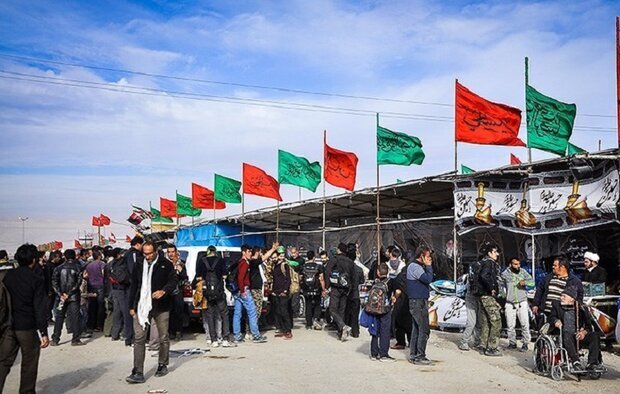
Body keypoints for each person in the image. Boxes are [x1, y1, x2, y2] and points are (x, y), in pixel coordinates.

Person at [0, 244, 50, 394]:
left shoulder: (7, 276)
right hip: (27, 327)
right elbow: (40, 308)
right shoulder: (36, 279)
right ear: (34, 260)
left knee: (3, 362)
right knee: (29, 362)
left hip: (8, 325)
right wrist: (43, 333)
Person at [126, 242, 177, 384]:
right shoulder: (139, 264)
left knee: (163, 337)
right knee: (139, 338)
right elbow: (134, 285)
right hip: (142, 305)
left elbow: (173, 281)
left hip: (161, 306)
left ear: (155, 251)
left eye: (149, 253)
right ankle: (137, 371)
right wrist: (131, 306)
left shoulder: (165, 264)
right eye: (145, 253)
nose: (147, 256)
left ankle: (162, 364)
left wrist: (164, 291)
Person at [549, 286, 602, 372]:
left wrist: (583, 332)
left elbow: (589, 326)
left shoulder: (581, 308)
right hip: (563, 335)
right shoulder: (556, 305)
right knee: (566, 333)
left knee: (595, 336)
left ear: (572, 299)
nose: (561, 298)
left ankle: (592, 363)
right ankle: (575, 361)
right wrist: (556, 321)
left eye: (564, 296)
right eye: (561, 295)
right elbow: (551, 317)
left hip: (577, 335)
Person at [194, 245, 233, 347]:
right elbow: (225, 275)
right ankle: (225, 339)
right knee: (224, 314)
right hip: (219, 291)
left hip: (207, 292)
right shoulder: (221, 261)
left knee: (209, 315)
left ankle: (213, 340)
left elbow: (198, 277)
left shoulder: (202, 261)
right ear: (215, 252)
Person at [231, 245, 268, 344]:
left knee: (237, 313)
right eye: (248, 251)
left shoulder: (239, 262)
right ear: (243, 252)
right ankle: (256, 335)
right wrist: (243, 291)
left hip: (237, 291)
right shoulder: (244, 263)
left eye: (251, 251)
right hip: (244, 290)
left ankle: (237, 335)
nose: (250, 253)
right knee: (252, 312)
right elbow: (240, 278)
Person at [51, 249, 84, 346]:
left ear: (64, 257)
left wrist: (61, 294)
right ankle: (75, 339)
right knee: (75, 317)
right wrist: (69, 294)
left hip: (61, 298)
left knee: (59, 317)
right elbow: (78, 283)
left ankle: (55, 339)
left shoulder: (58, 268)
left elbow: (54, 282)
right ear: (74, 256)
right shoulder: (78, 268)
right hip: (73, 297)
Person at [406, 246, 433, 365]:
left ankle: (414, 354)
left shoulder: (416, 266)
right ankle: (420, 355)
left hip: (419, 301)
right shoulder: (415, 267)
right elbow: (427, 279)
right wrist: (428, 266)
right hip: (418, 302)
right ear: (421, 255)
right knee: (424, 329)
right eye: (427, 256)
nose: (429, 258)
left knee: (417, 329)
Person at [501, 258, 534, 352]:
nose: (517, 266)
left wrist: (525, 283)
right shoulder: (505, 274)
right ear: (510, 264)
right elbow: (499, 285)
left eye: (519, 264)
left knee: (524, 324)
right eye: (515, 264)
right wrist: (504, 295)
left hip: (522, 302)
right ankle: (512, 343)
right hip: (510, 302)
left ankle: (525, 343)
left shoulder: (523, 272)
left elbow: (532, 282)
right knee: (510, 325)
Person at [325, 243, 355, 341]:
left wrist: (327, 286)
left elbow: (327, 272)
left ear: (338, 250)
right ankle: (341, 332)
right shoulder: (350, 262)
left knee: (332, 310)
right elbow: (353, 276)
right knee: (342, 310)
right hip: (346, 288)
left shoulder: (334, 259)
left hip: (335, 287)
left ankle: (342, 325)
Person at [477, 243, 502, 357]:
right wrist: (491, 288)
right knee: (496, 321)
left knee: (486, 321)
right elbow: (484, 276)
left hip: (482, 295)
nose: (497, 254)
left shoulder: (482, 262)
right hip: (487, 296)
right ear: (489, 253)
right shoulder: (489, 263)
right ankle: (492, 347)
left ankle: (483, 344)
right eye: (495, 251)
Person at [369, 263, 397, 362]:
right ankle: (383, 354)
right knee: (385, 331)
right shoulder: (391, 282)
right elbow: (397, 292)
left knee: (375, 329)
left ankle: (374, 353)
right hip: (385, 310)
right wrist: (394, 298)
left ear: (377, 272)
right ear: (388, 272)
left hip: (374, 309)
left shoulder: (374, 282)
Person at [458, 258, 482, 351]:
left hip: (479, 300)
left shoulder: (482, 277)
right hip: (471, 299)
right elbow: (471, 290)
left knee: (479, 323)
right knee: (471, 322)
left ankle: (477, 342)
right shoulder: (470, 278)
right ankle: (464, 342)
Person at [109, 247, 132, 343]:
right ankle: (126, 334)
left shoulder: (110, 264)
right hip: (122, 290)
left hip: (114, 289)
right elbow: (123, 278)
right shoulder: (122, 263)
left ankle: (115, 334)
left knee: (117, 312)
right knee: (126, 313)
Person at [166, 244, 187, 341]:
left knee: (178, 312)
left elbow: (185, 277)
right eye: (169, 252)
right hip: (167, 291)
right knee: (169, 312)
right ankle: (170, 332)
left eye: (172, 252)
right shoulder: (165, 263)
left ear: (176, 252)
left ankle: (178, 331)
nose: (171, 254)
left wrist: (180, 269)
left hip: (178, 291)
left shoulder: (181, 263)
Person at [301, 251, 326, 330]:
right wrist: (323, 289)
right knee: (317, 305)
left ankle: (308, 324)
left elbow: (300, 278)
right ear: (314, 257)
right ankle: (316, 320)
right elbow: (321, 279)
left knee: (308, 305)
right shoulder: (319, 267)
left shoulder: (303, 267)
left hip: (306, 288)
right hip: (316, 289)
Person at [272, 248, 293, 339]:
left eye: (275, 257)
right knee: (278, 312)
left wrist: (285, 290)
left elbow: (288, 279)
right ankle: (282, 329)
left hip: (283, 293)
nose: (274, 259)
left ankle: (288, 330)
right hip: (276, 292)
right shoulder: (274, 266)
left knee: (284, 311)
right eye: (272, 258)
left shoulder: (284, 265)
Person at [85, 250, 106, 332]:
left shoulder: (88, 265)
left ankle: (91, 325)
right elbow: (103, 273)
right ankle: (99, 325)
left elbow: (86, 275)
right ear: (100, 256)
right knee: (100, 306)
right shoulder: (102, 264)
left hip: (91, 286)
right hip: (100, 286)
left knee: (92, 306)